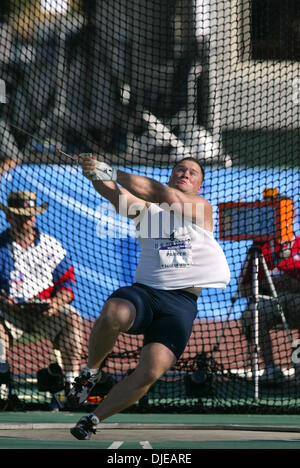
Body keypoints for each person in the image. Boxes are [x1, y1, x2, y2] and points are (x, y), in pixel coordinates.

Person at [67, 154, 230, 440]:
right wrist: (94, 174)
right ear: (171, 174)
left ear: (199, 186)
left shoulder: (200, 208)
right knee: (113, 312)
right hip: (145, 293)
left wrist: (108, 170)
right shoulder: (148, 211)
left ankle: (92, 419)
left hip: (180, 305)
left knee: (152, 369)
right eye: (180, 169)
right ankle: (91, 372)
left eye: (193, 172)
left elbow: (160, 193)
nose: (185, 173)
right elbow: (116, 196)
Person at [0, 190, 83, 398]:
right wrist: (4, 301)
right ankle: (0, 388)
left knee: (72, 318)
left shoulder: (52, 246)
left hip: (47, 312)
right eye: (19, 215)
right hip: (8, 314)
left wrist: (55, 303)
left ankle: (71, 386)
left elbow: (68, 286)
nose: (25, 220)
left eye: (29, 215)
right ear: (9, 216)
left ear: (36, 216)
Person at [240, 190, 300, 384]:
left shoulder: (298, 244)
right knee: (253, 314)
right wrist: (269, 283)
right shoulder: (258, 248)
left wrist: (293, 284)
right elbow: (243, 289)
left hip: (296, 298)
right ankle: (270, 369)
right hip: (268, 301)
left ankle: (298, 364)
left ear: (292, 215)